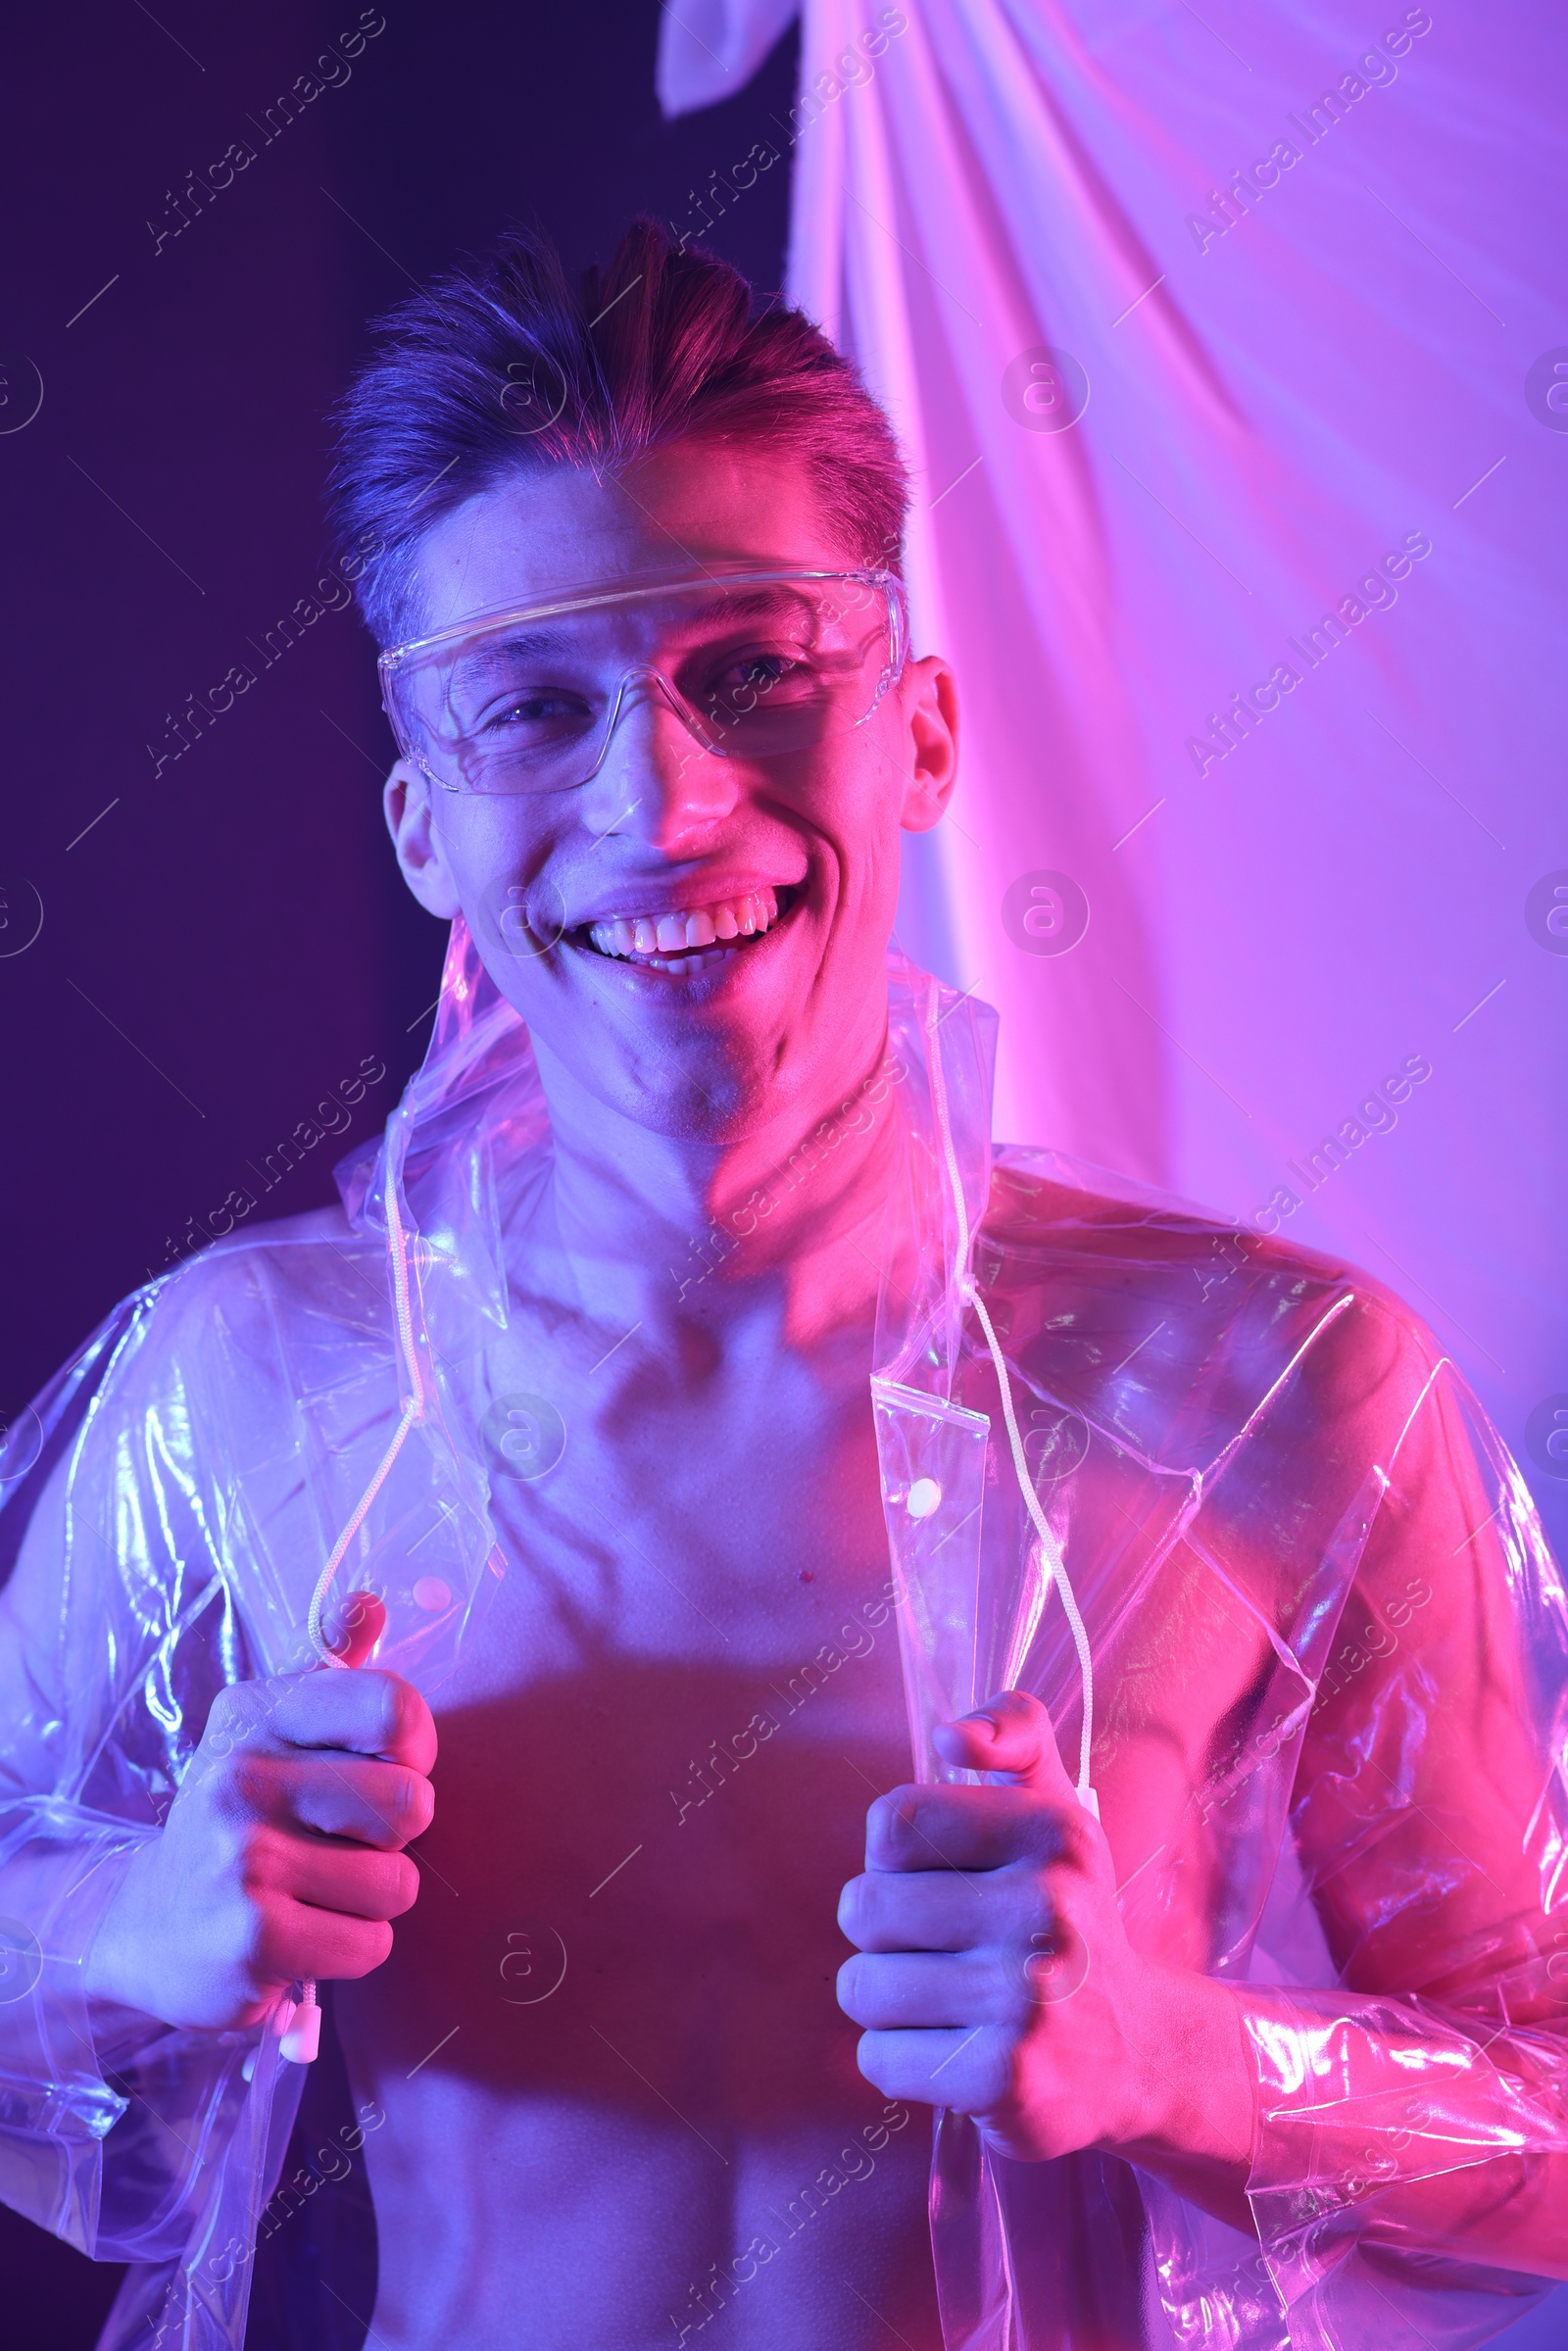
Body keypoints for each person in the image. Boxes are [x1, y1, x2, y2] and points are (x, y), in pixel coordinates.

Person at [0, 220, 1564, 2351]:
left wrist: (1174, 2058)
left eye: (752, 671)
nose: (659, 801)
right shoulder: (251, 1378)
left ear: (915, 731)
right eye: (535, 711)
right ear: (419, 824)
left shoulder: (1279, 1387)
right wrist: (138, 1925)